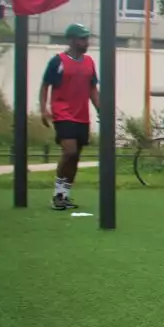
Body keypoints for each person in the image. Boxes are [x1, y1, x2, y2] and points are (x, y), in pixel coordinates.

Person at [39, 23, 99, 211]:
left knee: (76, 157)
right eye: (82, 38)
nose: (86, 42)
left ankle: (65, 195)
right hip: (63, 112)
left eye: (87, 38)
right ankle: (57, 194)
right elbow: (45, 85)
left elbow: (92, 89)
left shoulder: (89, 62)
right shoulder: (58, 61)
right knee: (69, 151)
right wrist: (44, 109)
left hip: (82, 115)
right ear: (72, 40)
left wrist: (102, 110)